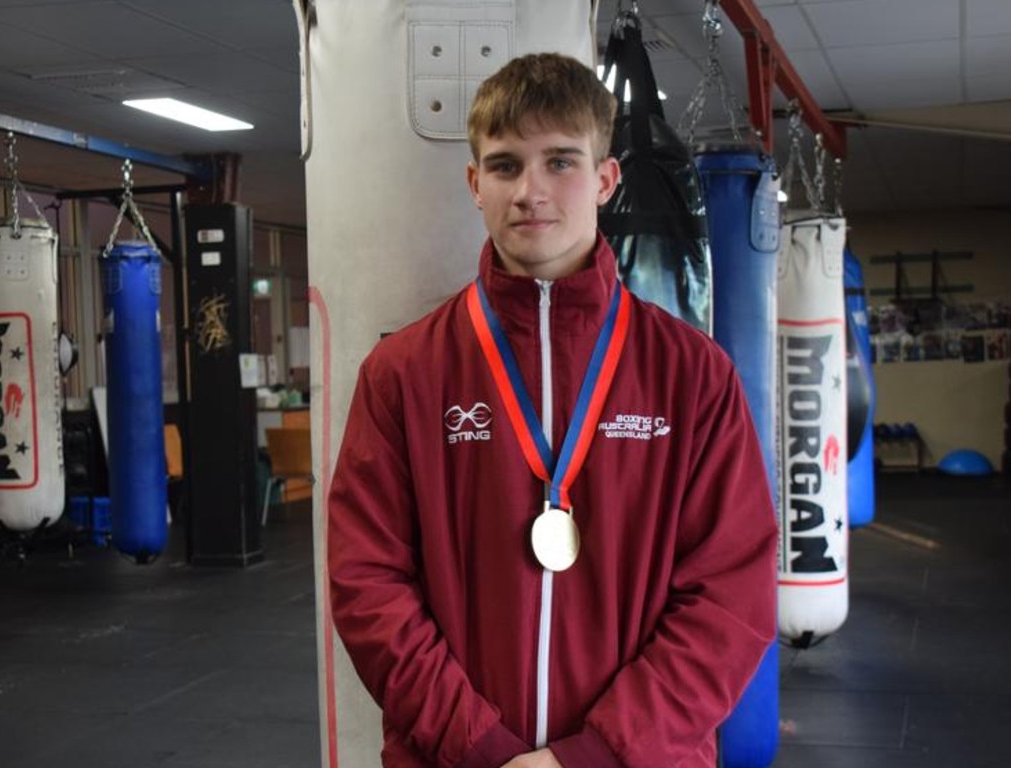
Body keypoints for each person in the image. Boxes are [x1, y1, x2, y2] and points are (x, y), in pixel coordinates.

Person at [328, 52, 777, 768]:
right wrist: (477, 746)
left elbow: (731, 595)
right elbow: (367, 583)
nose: (530, 191)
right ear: (475, 185)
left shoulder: (693, 376)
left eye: (560, 161)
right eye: (505, 166)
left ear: (606, 179)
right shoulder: (404, 373)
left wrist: (596, 754)